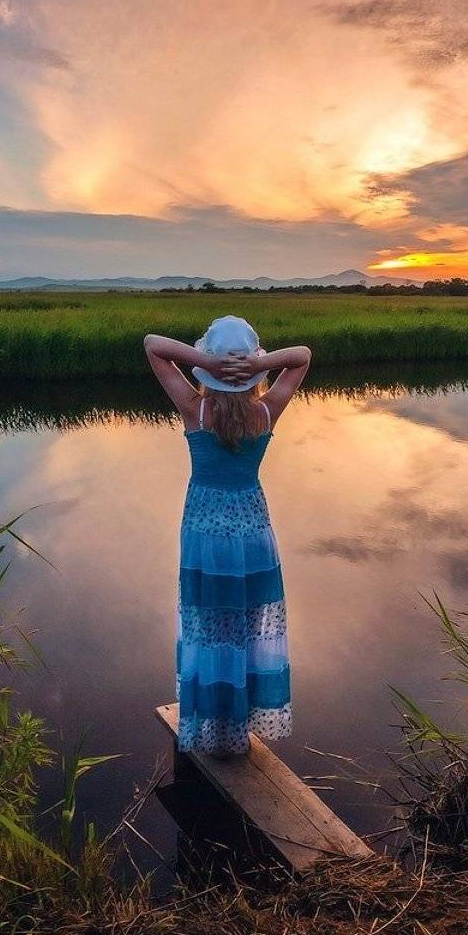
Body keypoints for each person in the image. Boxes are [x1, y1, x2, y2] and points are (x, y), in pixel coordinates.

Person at [143, 316, 312, 757]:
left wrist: (209, 362)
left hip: (204, 534)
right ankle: (238, 725)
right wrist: (257, 362)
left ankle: (214, 728)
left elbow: (153, 346)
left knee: (208, 628)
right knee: (244, 629)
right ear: (255, 376)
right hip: (254, 531)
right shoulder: (266, 410)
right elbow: (302, 358)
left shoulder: (195, 410)